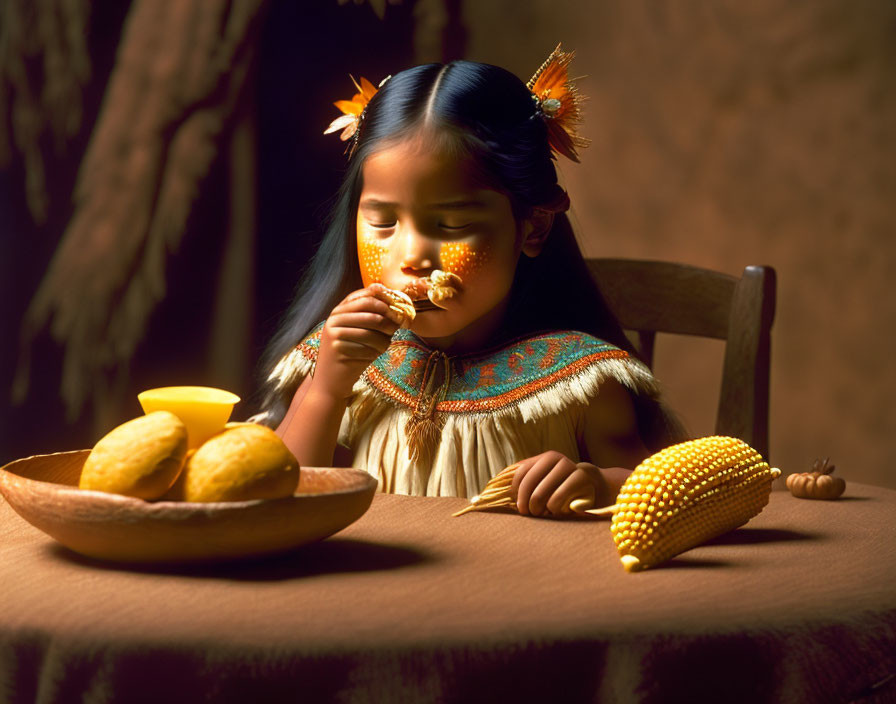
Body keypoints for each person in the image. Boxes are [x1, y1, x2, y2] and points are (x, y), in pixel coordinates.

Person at [251, 46, 685, 517]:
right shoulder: (341, 363)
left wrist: (599, 483)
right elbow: (278, 499)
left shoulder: (579, 385)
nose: (412, 256)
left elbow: (660, 488)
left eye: (452, 226)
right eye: (381, 223)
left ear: (533, 227)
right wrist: (325, 391)